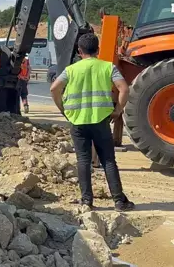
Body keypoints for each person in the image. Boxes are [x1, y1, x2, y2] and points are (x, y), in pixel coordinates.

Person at [50, 33, 135, 212]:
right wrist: (117, 110)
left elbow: (54, 88)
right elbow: (124, 89)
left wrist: (62, 109)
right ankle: (119, 201)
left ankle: (87, 201)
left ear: (79, 51)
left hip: (77, 122)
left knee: (83, 160)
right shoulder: (108, 67)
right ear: (98, 49)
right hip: (101, 121)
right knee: (108, 161)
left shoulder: (71, 69)